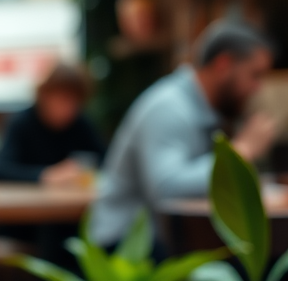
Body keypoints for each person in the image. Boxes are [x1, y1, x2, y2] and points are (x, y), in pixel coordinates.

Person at [91, 20, 278, 246]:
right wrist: (240, 152)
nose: (257, 88)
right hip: (126, 249)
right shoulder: (169, 107)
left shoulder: (209, 112)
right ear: (223, 65)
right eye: (255, 75)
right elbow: (167, 191)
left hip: (167, 242)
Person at [0, 63, 106, 185]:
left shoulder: (81, 123)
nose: (69, 109)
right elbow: (0, 170)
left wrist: (82, 168)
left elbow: (108, 160)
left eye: (75, 103)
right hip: (28, 202)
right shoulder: (21, 122)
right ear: (45, 95)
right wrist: (46, 175)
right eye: (63, 99)